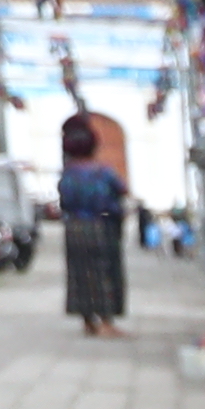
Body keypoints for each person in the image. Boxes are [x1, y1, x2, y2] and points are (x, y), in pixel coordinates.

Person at [53, 115, 128, 337]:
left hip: (74, 227)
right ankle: (106, 321)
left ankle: (87, 321)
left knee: (80, 273)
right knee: (105, 270)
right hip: (101, 224)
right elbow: (121, 189)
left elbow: (63, 200)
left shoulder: (67, 173)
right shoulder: (102, 172)